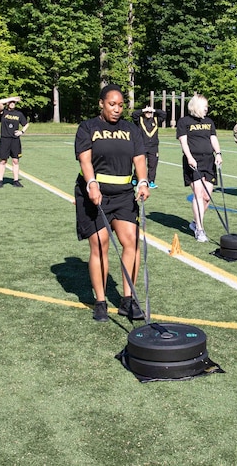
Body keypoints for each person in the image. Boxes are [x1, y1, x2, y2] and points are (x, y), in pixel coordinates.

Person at [74, 84, 150, 322]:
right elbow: (85, 160)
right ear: (101, 103)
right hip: (94, 195)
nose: (117, 109)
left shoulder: (131, 129)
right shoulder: (88, 128)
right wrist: (92, 184)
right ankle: (100, 301)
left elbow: (139, 158)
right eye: (111, 104)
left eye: (120, 105)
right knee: (100, 245)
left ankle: (128, 300)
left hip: (124, 195)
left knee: (131, 243)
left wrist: (143, 181)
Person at [177, 94, 222, 242]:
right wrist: (189, 157)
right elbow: (183, 142)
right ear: (196, 106)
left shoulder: (209, 122)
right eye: (205, 106)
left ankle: (195, 222)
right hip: (193, 161)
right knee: (197, 193)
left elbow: (213, 138)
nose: (207, 109)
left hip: (208, 161)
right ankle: (200, 230)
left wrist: (218, 154)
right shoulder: (184, 122)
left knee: (207, 197)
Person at [0, 96, 28, 187]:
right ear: (7, 103)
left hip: (15, 140)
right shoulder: (4, 112)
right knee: (3, 161)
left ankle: (15, 181)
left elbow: (26, 124)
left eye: (14, 102)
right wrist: (12, 98)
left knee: (15, 161)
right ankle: (0, 181)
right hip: (5, 139)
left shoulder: (19, 114)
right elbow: (0, 102)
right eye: (11, 102)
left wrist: (21, 132)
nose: (12, 103)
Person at [135, 105, 164, 188]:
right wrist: (144, 110)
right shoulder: (140, 120)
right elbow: (134, 114)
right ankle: (135, 178)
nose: (149, 113)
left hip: (153, 147)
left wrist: (154, 110)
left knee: (153, 164)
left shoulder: (156, 119)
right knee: (140, 163)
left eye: (150, 112)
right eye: (147, 112)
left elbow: (163, 114)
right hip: (142, 145)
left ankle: (151, 181)